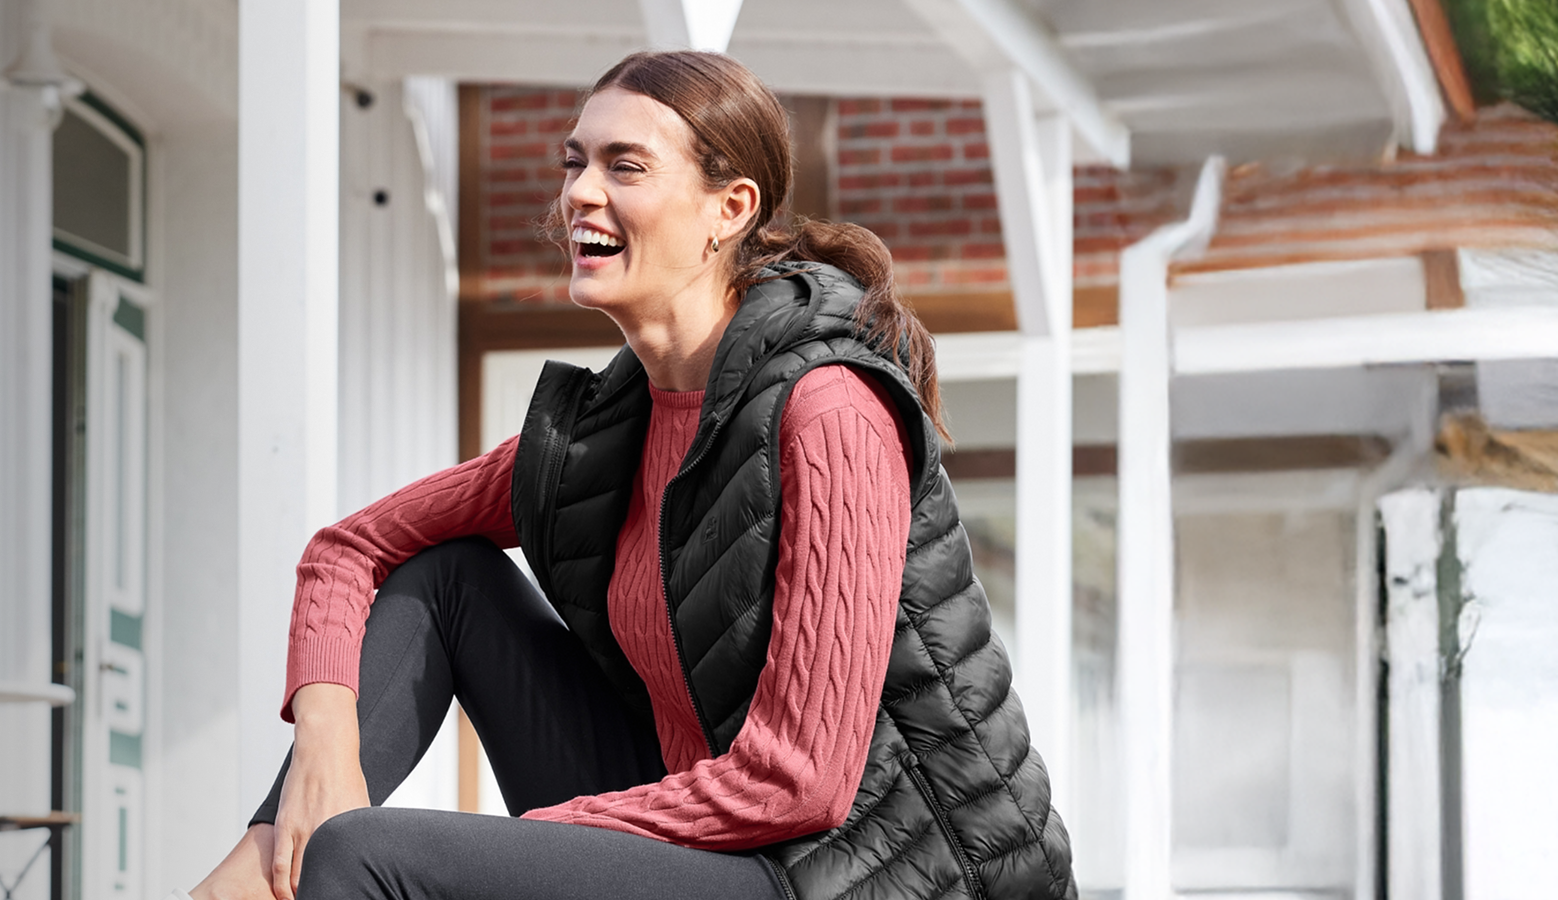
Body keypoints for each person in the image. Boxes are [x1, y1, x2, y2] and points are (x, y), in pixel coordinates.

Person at [186, 50, 1074, 900]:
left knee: (368, 858)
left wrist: (539, 843)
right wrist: (325, 747)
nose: (579, 192)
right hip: (718, 833)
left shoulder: (830, 411)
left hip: (849, 873)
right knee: (445, 580)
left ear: (729, 207)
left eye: (625, 165)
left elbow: (799, 782)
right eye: (575, 161)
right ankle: (261, 875)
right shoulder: (622, 425)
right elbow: (350, 549)